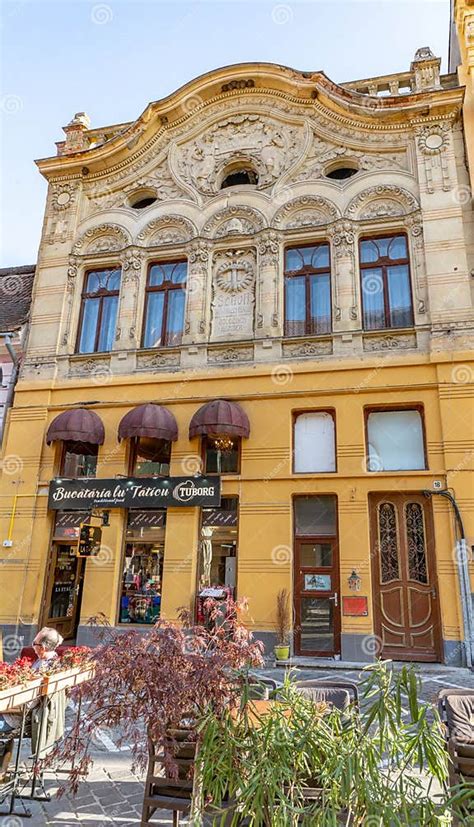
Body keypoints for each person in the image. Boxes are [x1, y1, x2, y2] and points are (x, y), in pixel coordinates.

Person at [0, 627, 63, 781]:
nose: (33, 645)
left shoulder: (45, 667)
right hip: (18, 712)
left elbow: (27, 704)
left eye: (34, 643)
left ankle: (2, 767)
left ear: (43, 647)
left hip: (19, 717)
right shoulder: (48, 660)